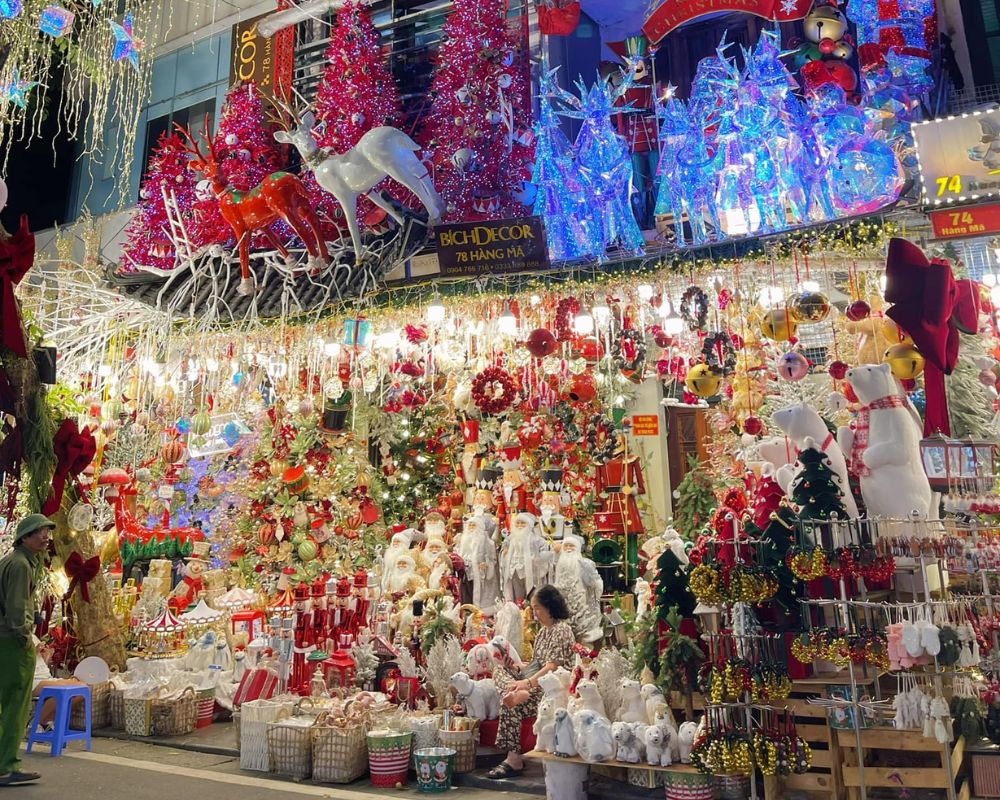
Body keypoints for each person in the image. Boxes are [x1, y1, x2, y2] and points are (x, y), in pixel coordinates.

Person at [487, 584, 575, 780]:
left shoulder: (562, 630)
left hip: (551, 687)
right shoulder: (543, 632)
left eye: (538, 608)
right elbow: (537, 664)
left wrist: (527, 683)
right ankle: (513, 695)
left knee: (510, 705)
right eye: (533, 608)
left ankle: (513, 759)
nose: (534, 613)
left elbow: (552, 666)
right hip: (533, 682)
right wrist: (517, 667)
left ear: (550, 607)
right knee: (499, 670)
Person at [0, 513, 54, 786]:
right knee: (15, 703)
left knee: (7, 702)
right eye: (39, 532)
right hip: (12, 642)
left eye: (46, 531)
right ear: (25, 537)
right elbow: (16, 610)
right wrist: (26, 638)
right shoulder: (21, 565)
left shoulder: (17, 561)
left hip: (6, 640)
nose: (45, 536)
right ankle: (7, 765)